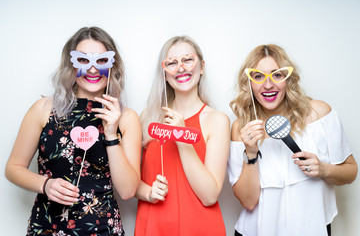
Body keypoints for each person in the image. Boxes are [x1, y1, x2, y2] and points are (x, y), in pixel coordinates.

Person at [5, 27, 141, 236]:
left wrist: (111, 134)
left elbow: (127, 191)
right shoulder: (44, 109)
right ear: (71, 65)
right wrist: (45, 184)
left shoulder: (127, 118)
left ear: (113, 66)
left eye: (101, 61)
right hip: (48, 227)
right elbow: (13, 168)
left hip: (103, 229)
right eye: (84, 60)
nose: (93, 69)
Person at [228, 44, 358, 236]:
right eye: (258, 76)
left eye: (277, 75)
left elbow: (351, 172)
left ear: (288, 79)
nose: (268, 84)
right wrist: (251, 153)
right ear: (249, 83)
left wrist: (323, 169)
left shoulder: (319, 114)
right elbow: (248, 201)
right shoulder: (242, 128)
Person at [134, 36, 230, 235]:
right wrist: (148, 192)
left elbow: (210, 196)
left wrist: (180, 135)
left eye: (188, 60)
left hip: (199, 227)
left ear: (201, 67)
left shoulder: (217, 120)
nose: (181, 68)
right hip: (154, 226)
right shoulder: (147, 118)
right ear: (165, 74)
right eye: (171, 63)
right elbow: (129, 184)